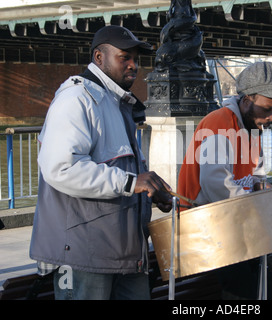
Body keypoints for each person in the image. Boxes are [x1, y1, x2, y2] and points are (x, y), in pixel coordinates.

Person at [29, 25, 172, 300]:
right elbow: (61, 168)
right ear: (99, 58)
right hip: (84, 255)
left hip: (125, 253)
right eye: (124, 57)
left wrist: (149, 192)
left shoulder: (117, 102)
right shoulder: (76, 99)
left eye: (136, 59)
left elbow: (122, 173)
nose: (133, 65)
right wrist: (132, 182)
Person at [177, 61, 272, 299]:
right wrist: (260, 207)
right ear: (247, 100)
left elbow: (255, 176)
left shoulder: (252, 128)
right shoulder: (218, 123)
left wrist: (264, 189)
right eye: (266, 109)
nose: (271, 117)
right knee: (242, 291)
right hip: (205, 226)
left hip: (230, 223)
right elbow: (216, 185)